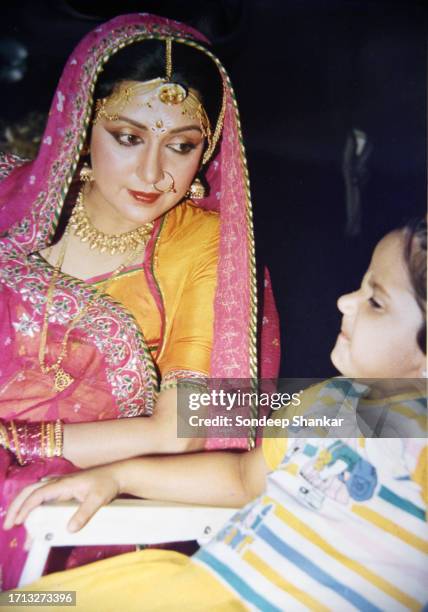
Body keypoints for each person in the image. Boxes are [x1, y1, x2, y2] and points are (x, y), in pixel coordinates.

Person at [6, 219, 427, 610]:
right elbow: (243, 476)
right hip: (204, 587)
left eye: (375, 301)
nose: (344, 301)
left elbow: (193, 423)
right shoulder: (328, 401)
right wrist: (119, 476)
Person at [0, 14, 280, 589]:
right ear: (82, 125)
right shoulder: (13, 200)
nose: (153, 173)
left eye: (181, 146)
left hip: (81, 512)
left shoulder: (203, 247)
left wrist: (17, 442)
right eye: (127, 138)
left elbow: (179, 431)